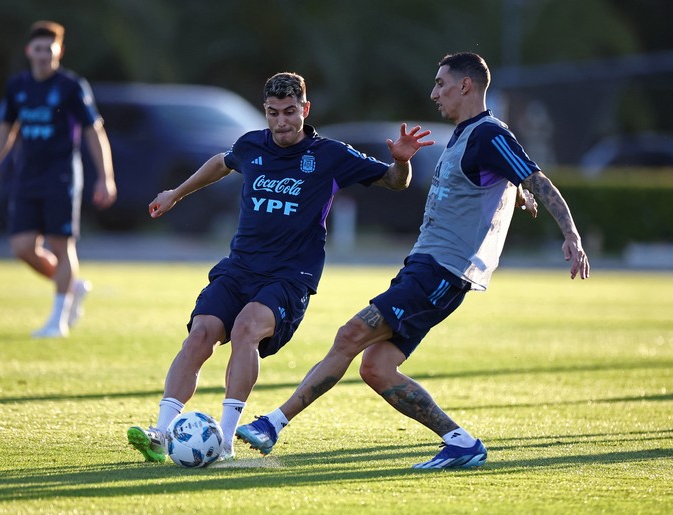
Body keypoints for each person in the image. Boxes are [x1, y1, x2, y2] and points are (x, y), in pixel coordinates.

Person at [236, 52, 590, 469]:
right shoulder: (467, 135)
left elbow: (536, 177)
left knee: (351, 334)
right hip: (424, 264)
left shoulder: (489, 134)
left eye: (441, 83)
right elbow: (501, 178)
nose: (433, 93)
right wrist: (515, 191)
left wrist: (571, 234)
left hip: (442, 270)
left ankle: (273, 423)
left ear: (466, 86)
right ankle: (460, 443)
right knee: (377, 368)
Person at [127, 72, 434, 463]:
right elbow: (221, 163)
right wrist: (175, 193)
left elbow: (395, 182)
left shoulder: (330, 155)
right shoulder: (251, 145)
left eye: (290, 112)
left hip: (289, 277)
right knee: (201, 334)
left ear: (305, 109)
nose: (282, 122)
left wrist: (401, 161)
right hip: (239, 268)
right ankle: (162, 431)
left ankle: (224, 440)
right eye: (273, 113)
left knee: (246, 329)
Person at [0, 20, 117, 338]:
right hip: (27, 177)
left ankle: (58, 321)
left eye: (48, 49)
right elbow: (5, 130)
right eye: (37, 49)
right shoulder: (17, 87)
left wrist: (105, 176)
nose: (42, 55)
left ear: (59, 51)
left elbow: (95, 131)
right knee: (22, 247)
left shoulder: (71, 86)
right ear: (29, 51)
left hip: (62, 177)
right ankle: (72, 286)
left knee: (60, 244)